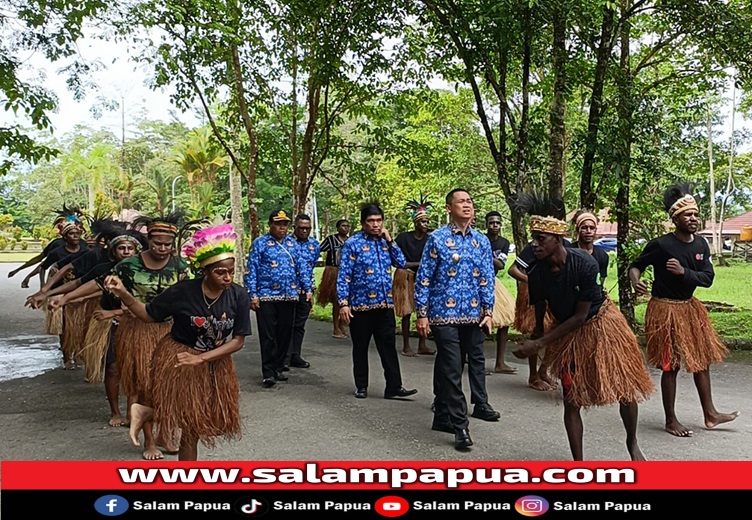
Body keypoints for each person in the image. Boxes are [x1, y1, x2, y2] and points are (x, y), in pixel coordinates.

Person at [511, 193, 654, 461]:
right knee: (571, 398)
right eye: (534, 238)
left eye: (540, 239)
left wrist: (541, 344)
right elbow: (542, 305)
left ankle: (632, 444)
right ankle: (579, 463)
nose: (534, 245)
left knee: (624, 387)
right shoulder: (537, 272)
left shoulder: (585, 264)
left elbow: (581, 315)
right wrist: (538, 334)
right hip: (566, 330)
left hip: (600, 324)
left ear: (557, 239)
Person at [105, 222, 250, 461]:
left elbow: (238, 341)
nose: (227, 277)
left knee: (215, 420)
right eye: (220, 272)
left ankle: (146, 411)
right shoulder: (184, 291)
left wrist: (201, 358)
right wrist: (122, 293)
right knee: (191, 427)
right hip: (180, 357)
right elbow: (148, 314)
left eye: (231, 271)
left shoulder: (238, 294)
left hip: (214, 361)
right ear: (205, 270)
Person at [629, 183, 739, 438]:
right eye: (687, 215)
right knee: (671, 365)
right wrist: (636, 281)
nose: (693, 218)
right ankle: (670, 420)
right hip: (664, 309)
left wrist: (684, 273)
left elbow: (707, 278)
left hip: (690, 309)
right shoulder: (660, 245)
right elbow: (636, 266)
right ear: (675, 218)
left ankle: (710, 413)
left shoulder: (701, 245)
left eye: (696, 214)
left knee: (701, 361)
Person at [414, 188, 499, 451]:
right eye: (461, 201)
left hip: (473, 315)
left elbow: (487, 278)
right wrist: (422, 313)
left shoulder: (481, 241)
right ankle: (460, 425)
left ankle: (441, 415)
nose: (467, 205)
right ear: (449, 208)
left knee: (452, 362)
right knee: (452, 366)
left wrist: (488, 311)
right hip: (443, 315)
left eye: (470, 201)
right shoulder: (437, 239)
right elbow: (424, 277)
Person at [48, 224, 146, 426]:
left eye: (130, 248)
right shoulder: (105, 270)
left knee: (136, 369)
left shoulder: (145, 273)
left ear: (137, 251)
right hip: (110, 325)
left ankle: (131, 412)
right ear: (113, 250)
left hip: (138, 326)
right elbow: (81, 284)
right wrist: (55, 296)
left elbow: (150, 305)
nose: (126, 252)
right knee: (112, 368)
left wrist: (114, 311)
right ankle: (115, 412)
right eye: (121, 248)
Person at [111, 211, 190, 459]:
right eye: (157, 243)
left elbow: (187, 298)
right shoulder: (128, 266)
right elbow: (106, 290)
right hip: (138, 331)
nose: (162, 248)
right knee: (145, 386)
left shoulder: (180, 267)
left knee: (169, 386)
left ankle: (165, 433)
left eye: (167, 244)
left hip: (169, 330)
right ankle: (149, 442)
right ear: (149, 240)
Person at [336, 202, 418, 400]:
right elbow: (344, 275)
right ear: (363, 223)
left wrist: (390, 241)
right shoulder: (352, 244)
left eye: (379, 220)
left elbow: (400, 263)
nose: (375, 225)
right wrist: (343, 303)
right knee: (361, 347)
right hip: (360, 306)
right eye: (371, 221)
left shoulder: (385, 242)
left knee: (388, 347)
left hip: (384, 305)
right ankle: (361, 385)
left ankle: (394, 387)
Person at [245, 209, 312, 388]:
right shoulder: (260, 244)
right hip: (266, 296)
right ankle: (268, 372)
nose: (282, 228)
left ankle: (278, 367)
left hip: (289, 295)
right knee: (268, 335)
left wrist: (308, 288)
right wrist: (252, 294)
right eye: (278, 224)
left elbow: (302, 268)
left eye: (285, 224)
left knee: (284, 333)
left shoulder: (293, 244)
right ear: (271, 225)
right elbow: (252, 269)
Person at [508, 240, 557, 391]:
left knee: (557, 329)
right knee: (537, 330)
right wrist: (533, 281)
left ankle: (544, 369)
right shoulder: (534, 246)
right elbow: (513, 270)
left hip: (555, 292)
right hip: (535, 294)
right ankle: (533, 375)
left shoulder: (567, 246)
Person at [394, 194, 435, 356]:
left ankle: (422, 344)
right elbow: (396, 260)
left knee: (423, 310)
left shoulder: (430, 239)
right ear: (415, 222)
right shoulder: (403, 238)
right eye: (423, 221)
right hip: (406, 276)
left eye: (427, 221)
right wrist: (417, 264)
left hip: (423, 278)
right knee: (406, 311)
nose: (426, 224)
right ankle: (406, 345)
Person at [284, 213, 320, 371]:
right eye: (301, 228)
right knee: (287, 323)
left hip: (306, 290)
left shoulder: (314, 244)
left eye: (308, 228)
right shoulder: (286, 242)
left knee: (299, 324)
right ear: (294, 227)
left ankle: (295, 355)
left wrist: (310, 288)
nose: (304, 231)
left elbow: (311, 266)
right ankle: (283, 356)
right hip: (289, 289)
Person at [484, 210, 517, 374]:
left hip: (493, 282)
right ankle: (474, 361)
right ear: (486, 224)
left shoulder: (504, 242)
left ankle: (500, 362)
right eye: (491, 223)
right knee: (478, 323)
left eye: (497, 223)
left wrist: (484, 256)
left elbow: (501, 264)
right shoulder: (480, 239)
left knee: (504, 322)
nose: (494, 226)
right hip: (478, 282)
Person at [317, 219, 350, 339]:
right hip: (333, 271)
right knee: (337, 300)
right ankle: (336, 327)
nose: (345, 228)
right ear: (337, 228)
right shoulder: (331, 240)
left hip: (346, 272)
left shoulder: (350, 241)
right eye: (343, 226)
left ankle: (341, 324)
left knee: (346, 300)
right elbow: (318, 250)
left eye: (347, 226)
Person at [571, 210, 609, 290]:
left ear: (595, 230)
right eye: (584, 228)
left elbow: (599, 284)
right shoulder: (569, 252)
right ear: (578, 230)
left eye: (592, 228)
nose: (588, 231)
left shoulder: (602, 256)